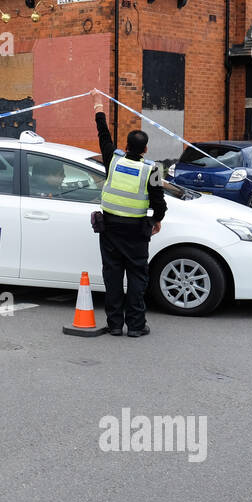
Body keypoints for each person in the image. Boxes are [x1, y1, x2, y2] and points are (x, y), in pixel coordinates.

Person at [94, 101, 166, 337]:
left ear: (125, 147)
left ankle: (114, 325)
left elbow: (103, 134)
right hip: (136, 232)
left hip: (110, 229)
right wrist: (157, 220)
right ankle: (136, 326)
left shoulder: (112, 160)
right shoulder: (152, 170)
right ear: (145, 150)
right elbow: (159, 203)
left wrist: (98, 108)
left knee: (112, 276)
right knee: (137, 277)